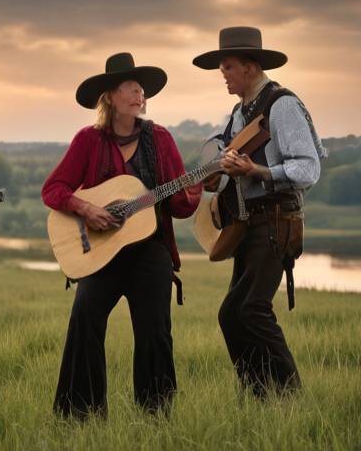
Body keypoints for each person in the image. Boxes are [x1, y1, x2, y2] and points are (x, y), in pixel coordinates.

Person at [42, 53, 202, 418]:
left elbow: (176, 204)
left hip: (149, 250)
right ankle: (80, 415)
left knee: (155, 331)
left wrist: (196, 191)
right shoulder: (88, 140)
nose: (138, 95)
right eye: (130, 88)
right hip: (100, 250)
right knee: (84, 316)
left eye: (141, 90)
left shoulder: (160, 138)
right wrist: (86, 209)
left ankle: (156, 416)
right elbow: (53, 189)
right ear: (111, 97)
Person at [193, 27, 326, 397]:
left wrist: (258, 172)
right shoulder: (238, 114)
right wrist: (214, 178)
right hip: (246, 224)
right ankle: (258, 395)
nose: (224, 74)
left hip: (276, 219)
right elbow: (231, 168)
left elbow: (309, 167)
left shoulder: (282, 105)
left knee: (252, 308)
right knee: (230, 314)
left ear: (250, 67)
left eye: (228, 67)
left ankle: (291, 396)